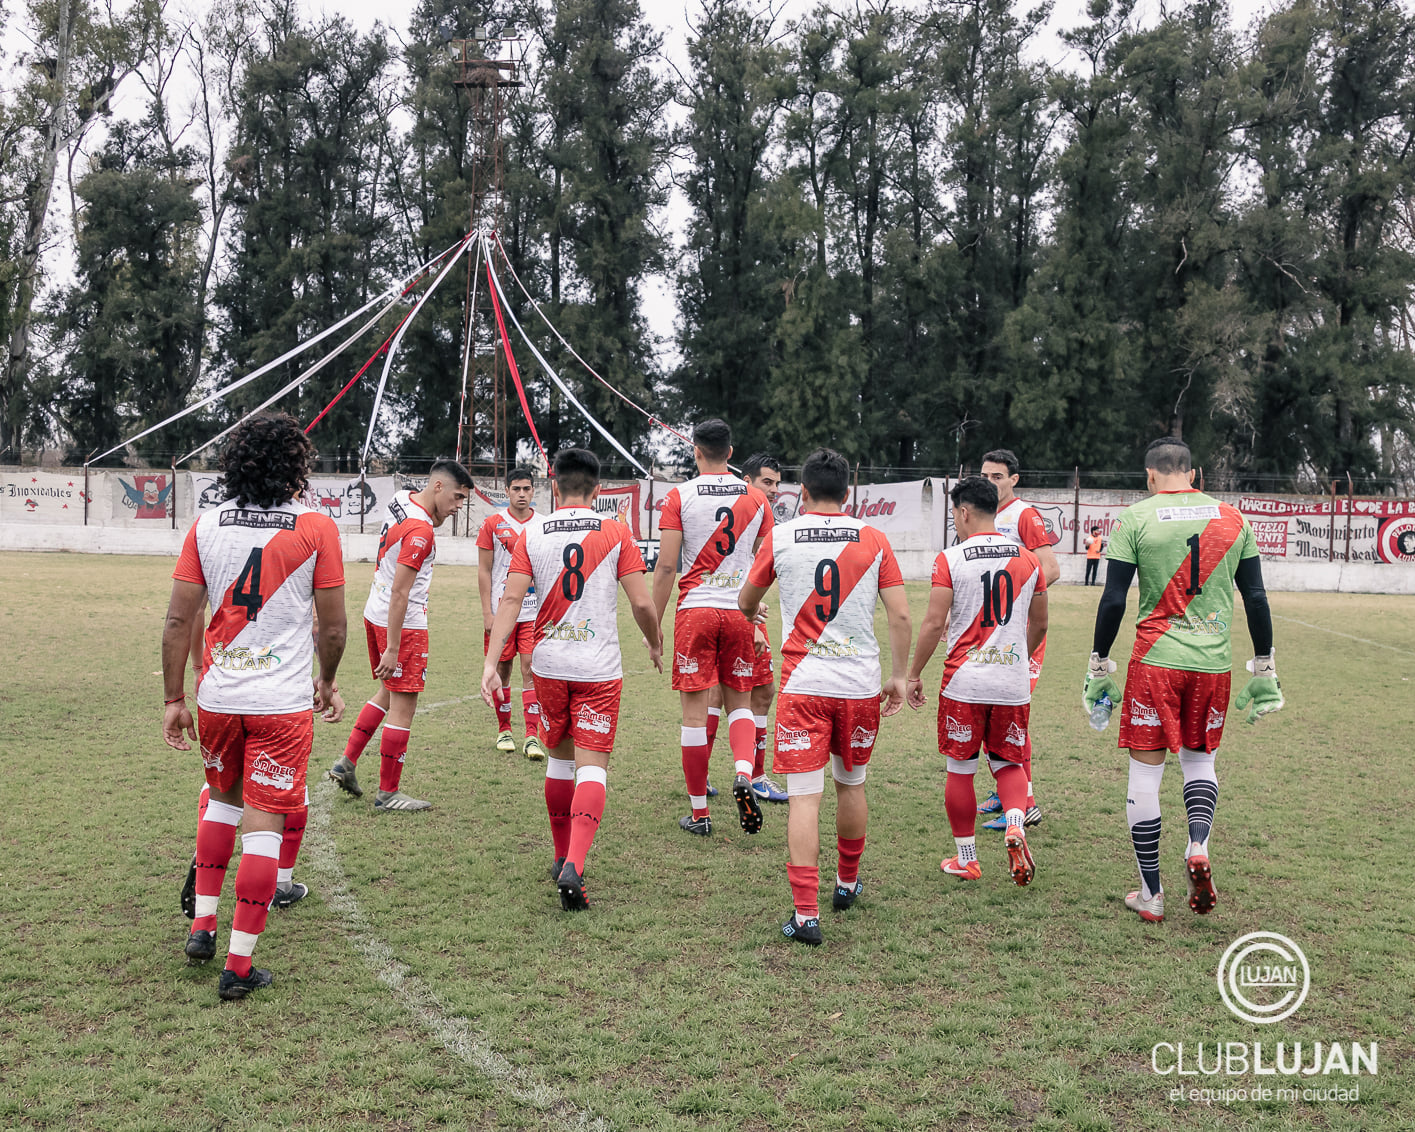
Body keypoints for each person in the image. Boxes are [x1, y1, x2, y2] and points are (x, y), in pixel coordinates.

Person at [161, 412, 347, 1001]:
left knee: (221, 804)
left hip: (218, 697)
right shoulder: (317, 527)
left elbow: (176, 619)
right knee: (265, 827)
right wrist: (328, 680)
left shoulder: (207, 523)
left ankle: (202, 926)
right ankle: (238, 969)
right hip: (281, 704)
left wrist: (173, 698)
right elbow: (336, 628)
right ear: (297, 465)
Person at [1083, 437, 1284, 923]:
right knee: (1199, 765)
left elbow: (1112, 600)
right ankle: (1197, 843)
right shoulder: (1233, 518)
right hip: (1212, 664)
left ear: (1150, 475)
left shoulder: (1135, 517)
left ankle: (1151, 894)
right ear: (1194, 475)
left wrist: (1098, 663)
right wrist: (1264, 665)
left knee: (1145, 774)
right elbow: (1255, 598)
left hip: (1155, 662)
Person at [739, 447, 912, 946]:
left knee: (804, 798)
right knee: (851, 783)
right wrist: (899, 676)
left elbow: (746, 601)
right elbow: (900, 616)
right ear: (848, 493)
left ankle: (806, 913)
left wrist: (754, 615)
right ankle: (848, 882)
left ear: (804, 493)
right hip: (858, 684)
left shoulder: (782, 535)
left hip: (803, 684)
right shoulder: (873, 537)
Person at [481, 448, 664, 910]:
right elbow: (643, 603)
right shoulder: (616, 530)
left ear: (554, 488)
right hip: (598, 668)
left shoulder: (532, 532)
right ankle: (574, 866)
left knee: (559, 762)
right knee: (593, 767)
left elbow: (509, 601)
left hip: (547, 665)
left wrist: (489, 662)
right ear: (599, 490)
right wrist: (656, 641)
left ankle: (560, 854)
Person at [905, 477, 1049, 886]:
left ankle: (967, 858)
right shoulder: (1029, 560)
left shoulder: (950, 559)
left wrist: (914, 673)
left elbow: (934, 623)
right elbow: (1040, 625)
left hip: (964, 683)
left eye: (954, 513)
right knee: (1008, 761)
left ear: (964, 512)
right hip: (1012, 682)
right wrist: (1015, 655)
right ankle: (1016, 823)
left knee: (961, 768)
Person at [653, 420, 775, 838]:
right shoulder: (757, 497)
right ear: (731, 450)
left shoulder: (679, 495)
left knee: (693, 714)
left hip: (696, 611)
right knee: (740, 703)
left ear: (696, 452)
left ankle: (700, 814)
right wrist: (754, 609)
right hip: (739, 611)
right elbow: (766, 560)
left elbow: (667, 565)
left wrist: (654, 625)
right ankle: (745, 773)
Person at [328, 460, 473, 811]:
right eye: (456, 498)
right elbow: (401, 592)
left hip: (374, 612)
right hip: (402, 625)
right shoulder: (421, 532)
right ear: (438, 487)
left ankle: (346, 764)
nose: (457, 508)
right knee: (404, 706)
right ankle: (388, 793)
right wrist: (394, 648)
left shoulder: (401, 498)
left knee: (386, 694)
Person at [975, 448, 1059, 829]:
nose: (990, 482)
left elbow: (1050, 568)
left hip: (1019, 632)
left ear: (1013, 481)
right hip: (987, 630)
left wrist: (1015, 598)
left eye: (997, 477)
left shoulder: (1023, 515)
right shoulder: (980, 514)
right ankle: (1003, 791)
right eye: (985, 476)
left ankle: (1027, 803)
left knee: (1011, 717)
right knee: (988, 712)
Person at [704, 453, 789, 804]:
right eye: (767, 482)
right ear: (747, 481)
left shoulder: (757, 516)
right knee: (759, 691)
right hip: (738, 612)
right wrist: (750, 619)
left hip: (734, 610)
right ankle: (754, 775)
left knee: (725, 692)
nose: (773, 490)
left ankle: (703, 770)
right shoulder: (750, 515)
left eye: (777, 484)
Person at [477, 466, 545, 759]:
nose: (521, 494)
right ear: (506, 491)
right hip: (501, 612)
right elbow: (484, 570)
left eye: (526, 489)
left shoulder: (543, 525)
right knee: (501, 670)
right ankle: (504, 730)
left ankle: (532, 736)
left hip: (533, 613)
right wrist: (487, 614)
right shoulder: (492, 523)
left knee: (530, 668)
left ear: (533, 491)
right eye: (515, 489)